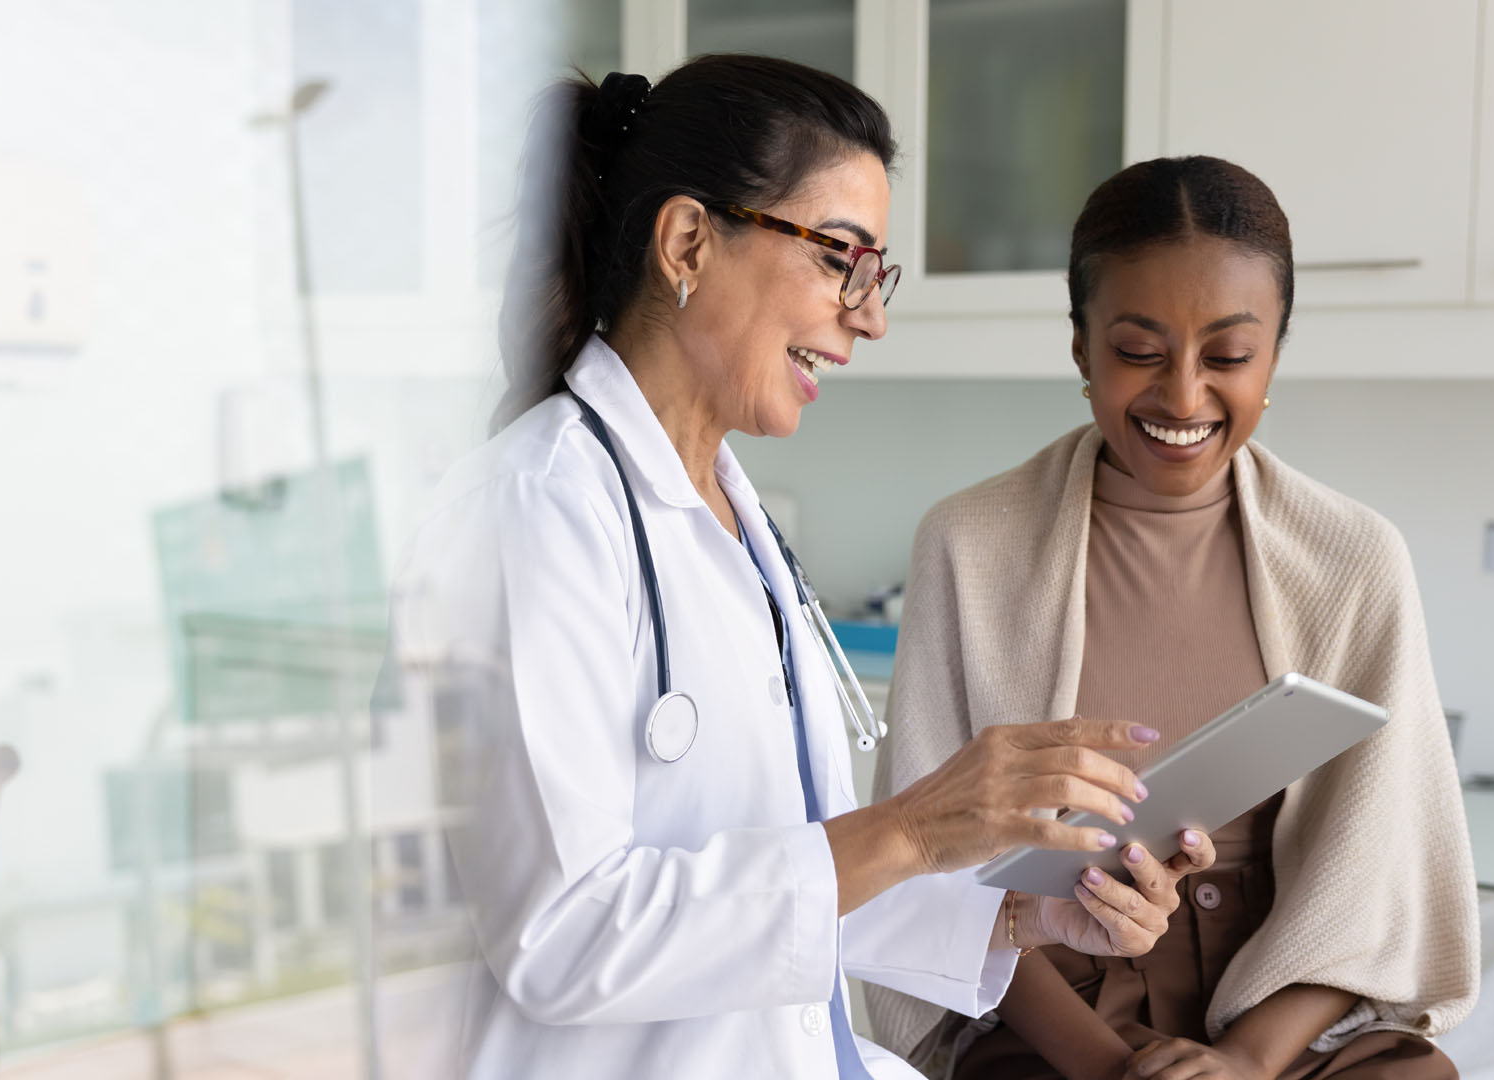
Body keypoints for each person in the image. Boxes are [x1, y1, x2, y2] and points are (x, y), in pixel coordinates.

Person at [393, 57, 1218, 1078]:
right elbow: (563, 934)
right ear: (688, 240)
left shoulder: (735, 520)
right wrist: (914, 828)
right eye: (840, 258)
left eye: (874, 275)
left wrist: (1027, 914)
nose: (868, 317)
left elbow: (787, 879)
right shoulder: (531, 510)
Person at [864, 157, 1479, 1080]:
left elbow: (1380, 882)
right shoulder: (969, 544)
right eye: (1139, 352)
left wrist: (1240, 1062)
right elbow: (931, 878)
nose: (1184, 398)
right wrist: (1112, 1067)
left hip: (1282, 1004)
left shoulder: (1356, 559)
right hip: (1051, 1005)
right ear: (1081, 347)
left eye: (1228, 356)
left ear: (1274, 352)